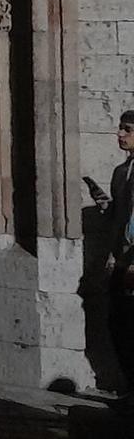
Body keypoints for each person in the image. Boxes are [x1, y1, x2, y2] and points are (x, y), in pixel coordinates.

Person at [89, 109, 134, 396]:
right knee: (118, 326)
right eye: (120, 128)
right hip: (122, 264)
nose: (120, 134)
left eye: (127, 129)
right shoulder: (121, 172)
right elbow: (121, 217)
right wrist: (106, 206)